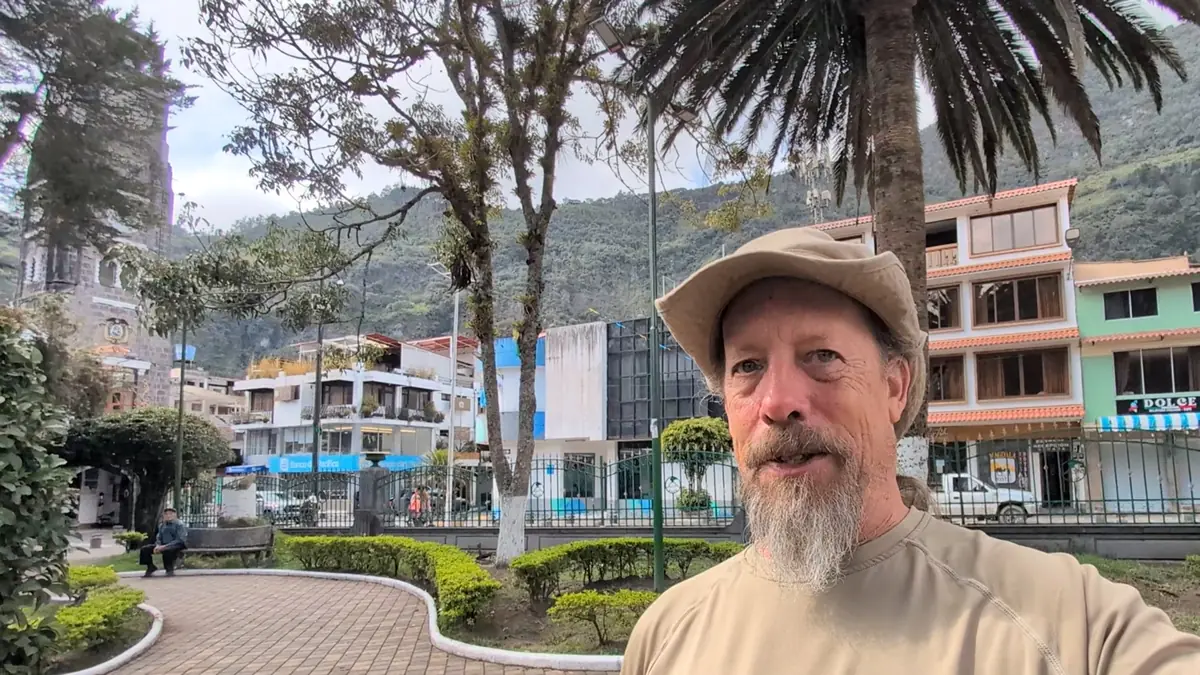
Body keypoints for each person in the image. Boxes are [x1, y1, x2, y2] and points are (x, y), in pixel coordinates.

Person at [621, 228, 1200, 674]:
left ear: (895, 387)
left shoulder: (1067, 621)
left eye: (821, 355)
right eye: (748, 367)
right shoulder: (668, 634)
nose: (778, 402)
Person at [140, 507, 187, 577]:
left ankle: (169, 569)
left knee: (167, 550)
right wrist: (158, 545)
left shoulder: (180, 525)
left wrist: (165, 546)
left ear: (175, 515)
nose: (168, 516)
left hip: (177, 544)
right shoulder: (162, 525)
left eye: (170, 514)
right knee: (144, 549)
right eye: (166, 514)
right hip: (163, 545)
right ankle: (150, 567)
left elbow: (180, 539)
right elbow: (159, 537)